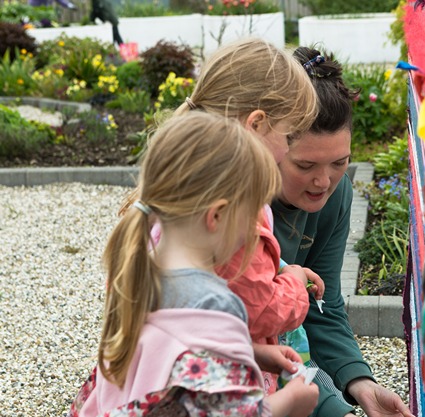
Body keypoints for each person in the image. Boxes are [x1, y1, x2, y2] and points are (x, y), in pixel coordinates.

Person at [68, 111, 319, 416]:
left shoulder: (136, 275)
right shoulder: (216, 303)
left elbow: (171, 355)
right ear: (217, 216)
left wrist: (252, 352)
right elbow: (231, 412)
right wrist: (291, 403)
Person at [122, 38, 324, 394]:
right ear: (257, 124)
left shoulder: (181, 186)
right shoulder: (233, 210)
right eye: (289, 135)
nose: (289, 148)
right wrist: (294, 282)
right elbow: (259, 309)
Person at [270, 46, 414, 417]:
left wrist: (358, 383)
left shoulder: (336, 195)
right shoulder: (234, 207)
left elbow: (323, 302)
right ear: (268, 145)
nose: (323, 181)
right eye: (305, 165)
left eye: (340, 162)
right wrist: (329, 403)